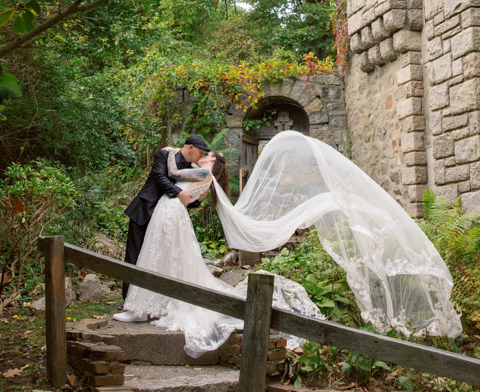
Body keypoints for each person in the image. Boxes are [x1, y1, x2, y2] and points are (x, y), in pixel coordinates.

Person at [111, 131, 462, 357]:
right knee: (159, 259)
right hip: (162, 213)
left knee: (167, 259)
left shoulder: (202, 173)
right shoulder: (186, 164)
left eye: (210, 157)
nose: (207, 155)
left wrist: (183, 172)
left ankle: (150, 302)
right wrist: (175, 161)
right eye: (205, 153)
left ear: (211, 165)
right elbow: (169, 172)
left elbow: (172, 179)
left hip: (172, 215)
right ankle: (146, 300)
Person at [115, 134, 209, 308]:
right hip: (145, 210)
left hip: (165, 218)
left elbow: (186, 196)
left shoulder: (191, 169)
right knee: (134, 256)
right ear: (190, 147)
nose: (200, 157)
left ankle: (150, 300)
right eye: (200, 152)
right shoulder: (165, 155)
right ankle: (128, 299)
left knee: (155, 258)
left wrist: (197, 199)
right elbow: (159, 177)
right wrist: (178, 193)